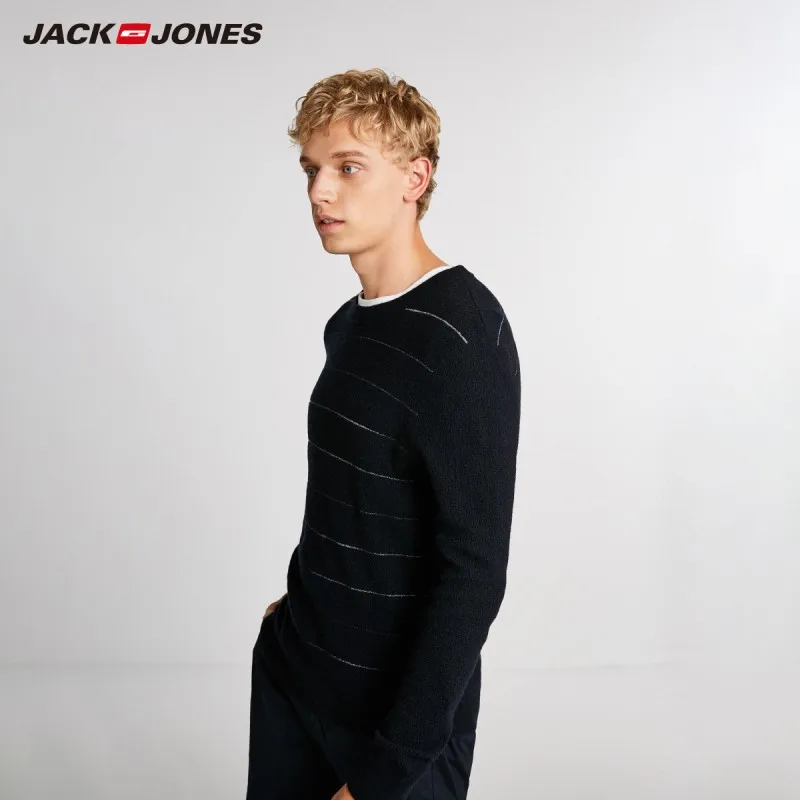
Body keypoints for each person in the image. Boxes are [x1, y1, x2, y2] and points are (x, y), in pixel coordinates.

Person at [246, 68, 521, 800]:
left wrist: (387, 772)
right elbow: (354, 495)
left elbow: (474, 572)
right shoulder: (350, 324)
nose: (319, 193)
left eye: (347, 168)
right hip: (298, 679)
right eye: (311, 169)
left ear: (414, 178)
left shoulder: (461, 333)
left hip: (392, 730)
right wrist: (299, 607)